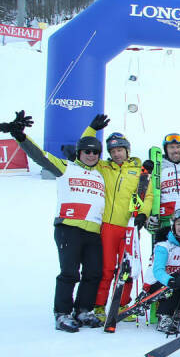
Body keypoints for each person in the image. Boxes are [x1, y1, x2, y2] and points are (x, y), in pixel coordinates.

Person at [4, 111, 106, 332]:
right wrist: (21, 137)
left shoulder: (101, 173)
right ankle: (62, 313)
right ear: (78, 153)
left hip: (93, 231)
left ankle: (83, 310)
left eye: (95, 152)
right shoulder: (66, 168)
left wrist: (92, 130)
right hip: (68, 227)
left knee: (94, 272)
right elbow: (40, 156)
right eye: (87, 151)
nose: (91, 155)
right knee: (69, 272)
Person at [79, 117, 154, 319]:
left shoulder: (138, 170)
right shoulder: (103, 167)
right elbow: (85, 150)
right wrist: (91, 129)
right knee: (107, 268)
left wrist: (143, 214)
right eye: (112, 151)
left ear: (127, 150)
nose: (116, 154)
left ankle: (122, 305)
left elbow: (148, 195)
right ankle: (99, 305)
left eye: (119, 150)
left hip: (130, 226)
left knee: (128, 267)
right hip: (108, 226)